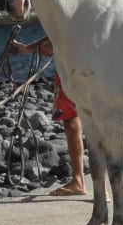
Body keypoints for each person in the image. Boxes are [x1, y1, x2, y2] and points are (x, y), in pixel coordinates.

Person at [8, 35, 87, 196]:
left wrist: (33, 49)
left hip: (75, 70)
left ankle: (86, 183)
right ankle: (80, 181)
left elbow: (53, 43)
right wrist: (29, 48)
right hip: (84, 66)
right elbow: (55, 30)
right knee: (79, 122)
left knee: (76, 121)